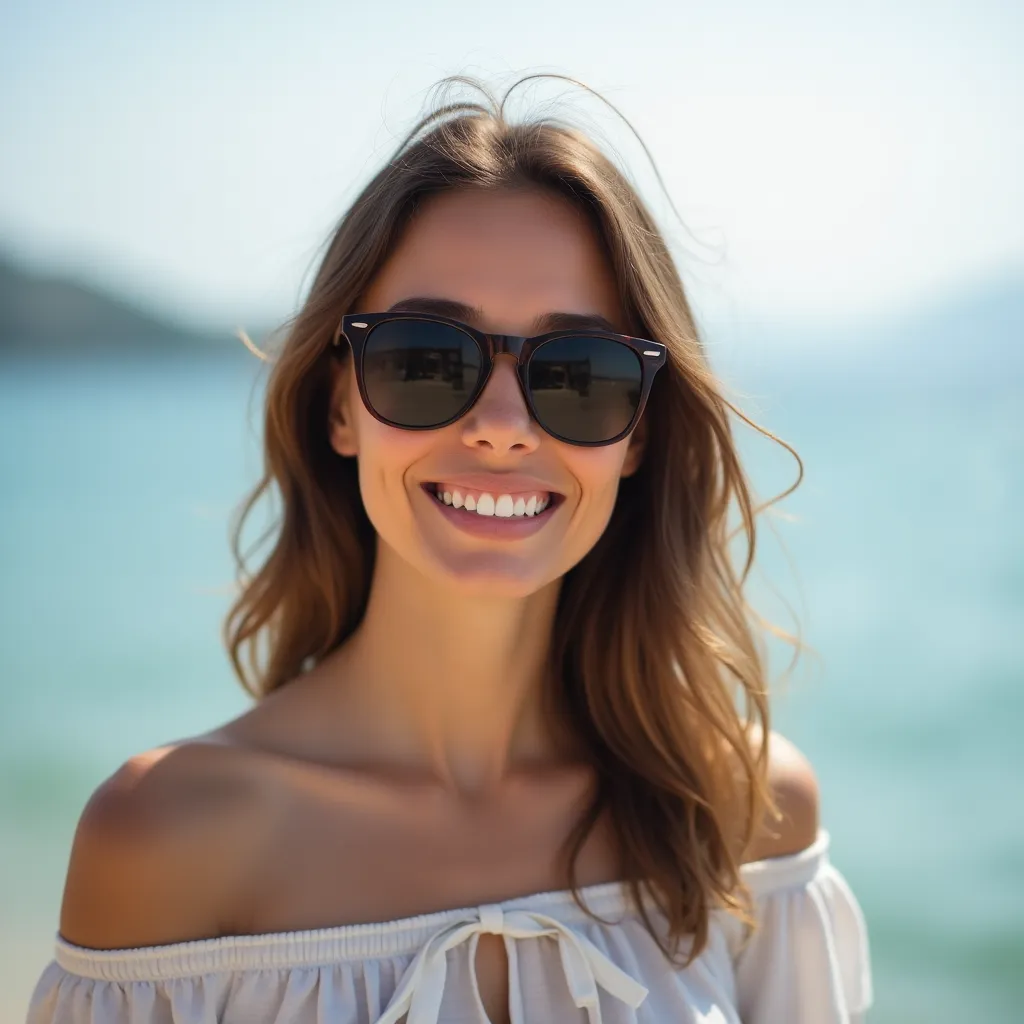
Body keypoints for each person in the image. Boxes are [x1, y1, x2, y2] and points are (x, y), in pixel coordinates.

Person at [27, 75, 873, 1024]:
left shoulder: (741, 816)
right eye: (425, 360)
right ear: (341, 404)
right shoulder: (167, 841)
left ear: (638, 433)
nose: (502, 426)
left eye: (580, 373)